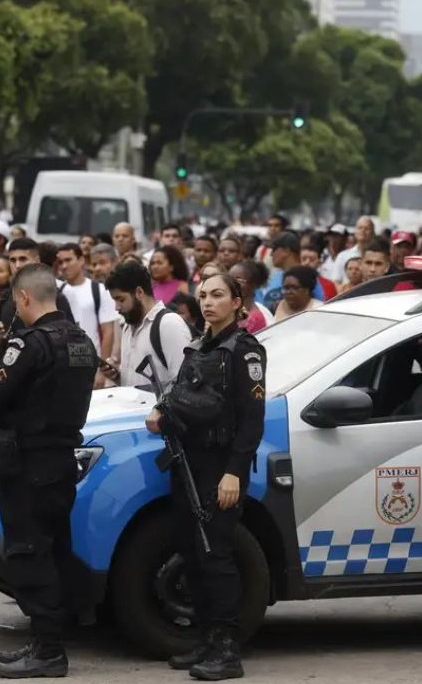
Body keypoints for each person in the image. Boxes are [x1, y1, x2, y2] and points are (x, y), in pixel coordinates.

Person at [0, 264, 97, 678]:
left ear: (24, 297)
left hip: (28, 463)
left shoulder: (28, 345)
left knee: (29, 554)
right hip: (61, 461)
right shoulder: (82, 340)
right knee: (53, 550)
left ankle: (48, 649)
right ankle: (50, 638)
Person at [146, 273, 266, 680]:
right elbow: (181, 393)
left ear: (237, 301)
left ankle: (228, 650)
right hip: (188, 463)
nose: (208, 302)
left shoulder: (244, 351)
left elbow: (251, 422)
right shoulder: (199, 347)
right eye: (203, 296)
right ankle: (207, 639)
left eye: (217, 295)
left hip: (219, 466)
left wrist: (234, 472)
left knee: (216, 555)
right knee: (191, 551)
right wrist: (163, 412)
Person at [102, 261, 192, 388]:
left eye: (121, 299)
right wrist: (117, 376)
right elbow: (134, 382)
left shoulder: (169, 324)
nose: (116, 307)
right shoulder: (128, 326)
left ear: (139, 292)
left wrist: (160, 407)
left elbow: (183, 383)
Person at [56, 243, 118, 358]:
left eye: (68, 260)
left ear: (81, 260)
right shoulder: (56, 291)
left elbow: (108, 332)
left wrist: (102, 368)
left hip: (92, 360)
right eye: (60, 262)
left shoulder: (98, 290)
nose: (64, 266)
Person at [229, 260, 274, 334]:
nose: (232, 284)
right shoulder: (229, 310)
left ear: (253, 284)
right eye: (229, 279)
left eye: (238, 280)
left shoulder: (256, 318)